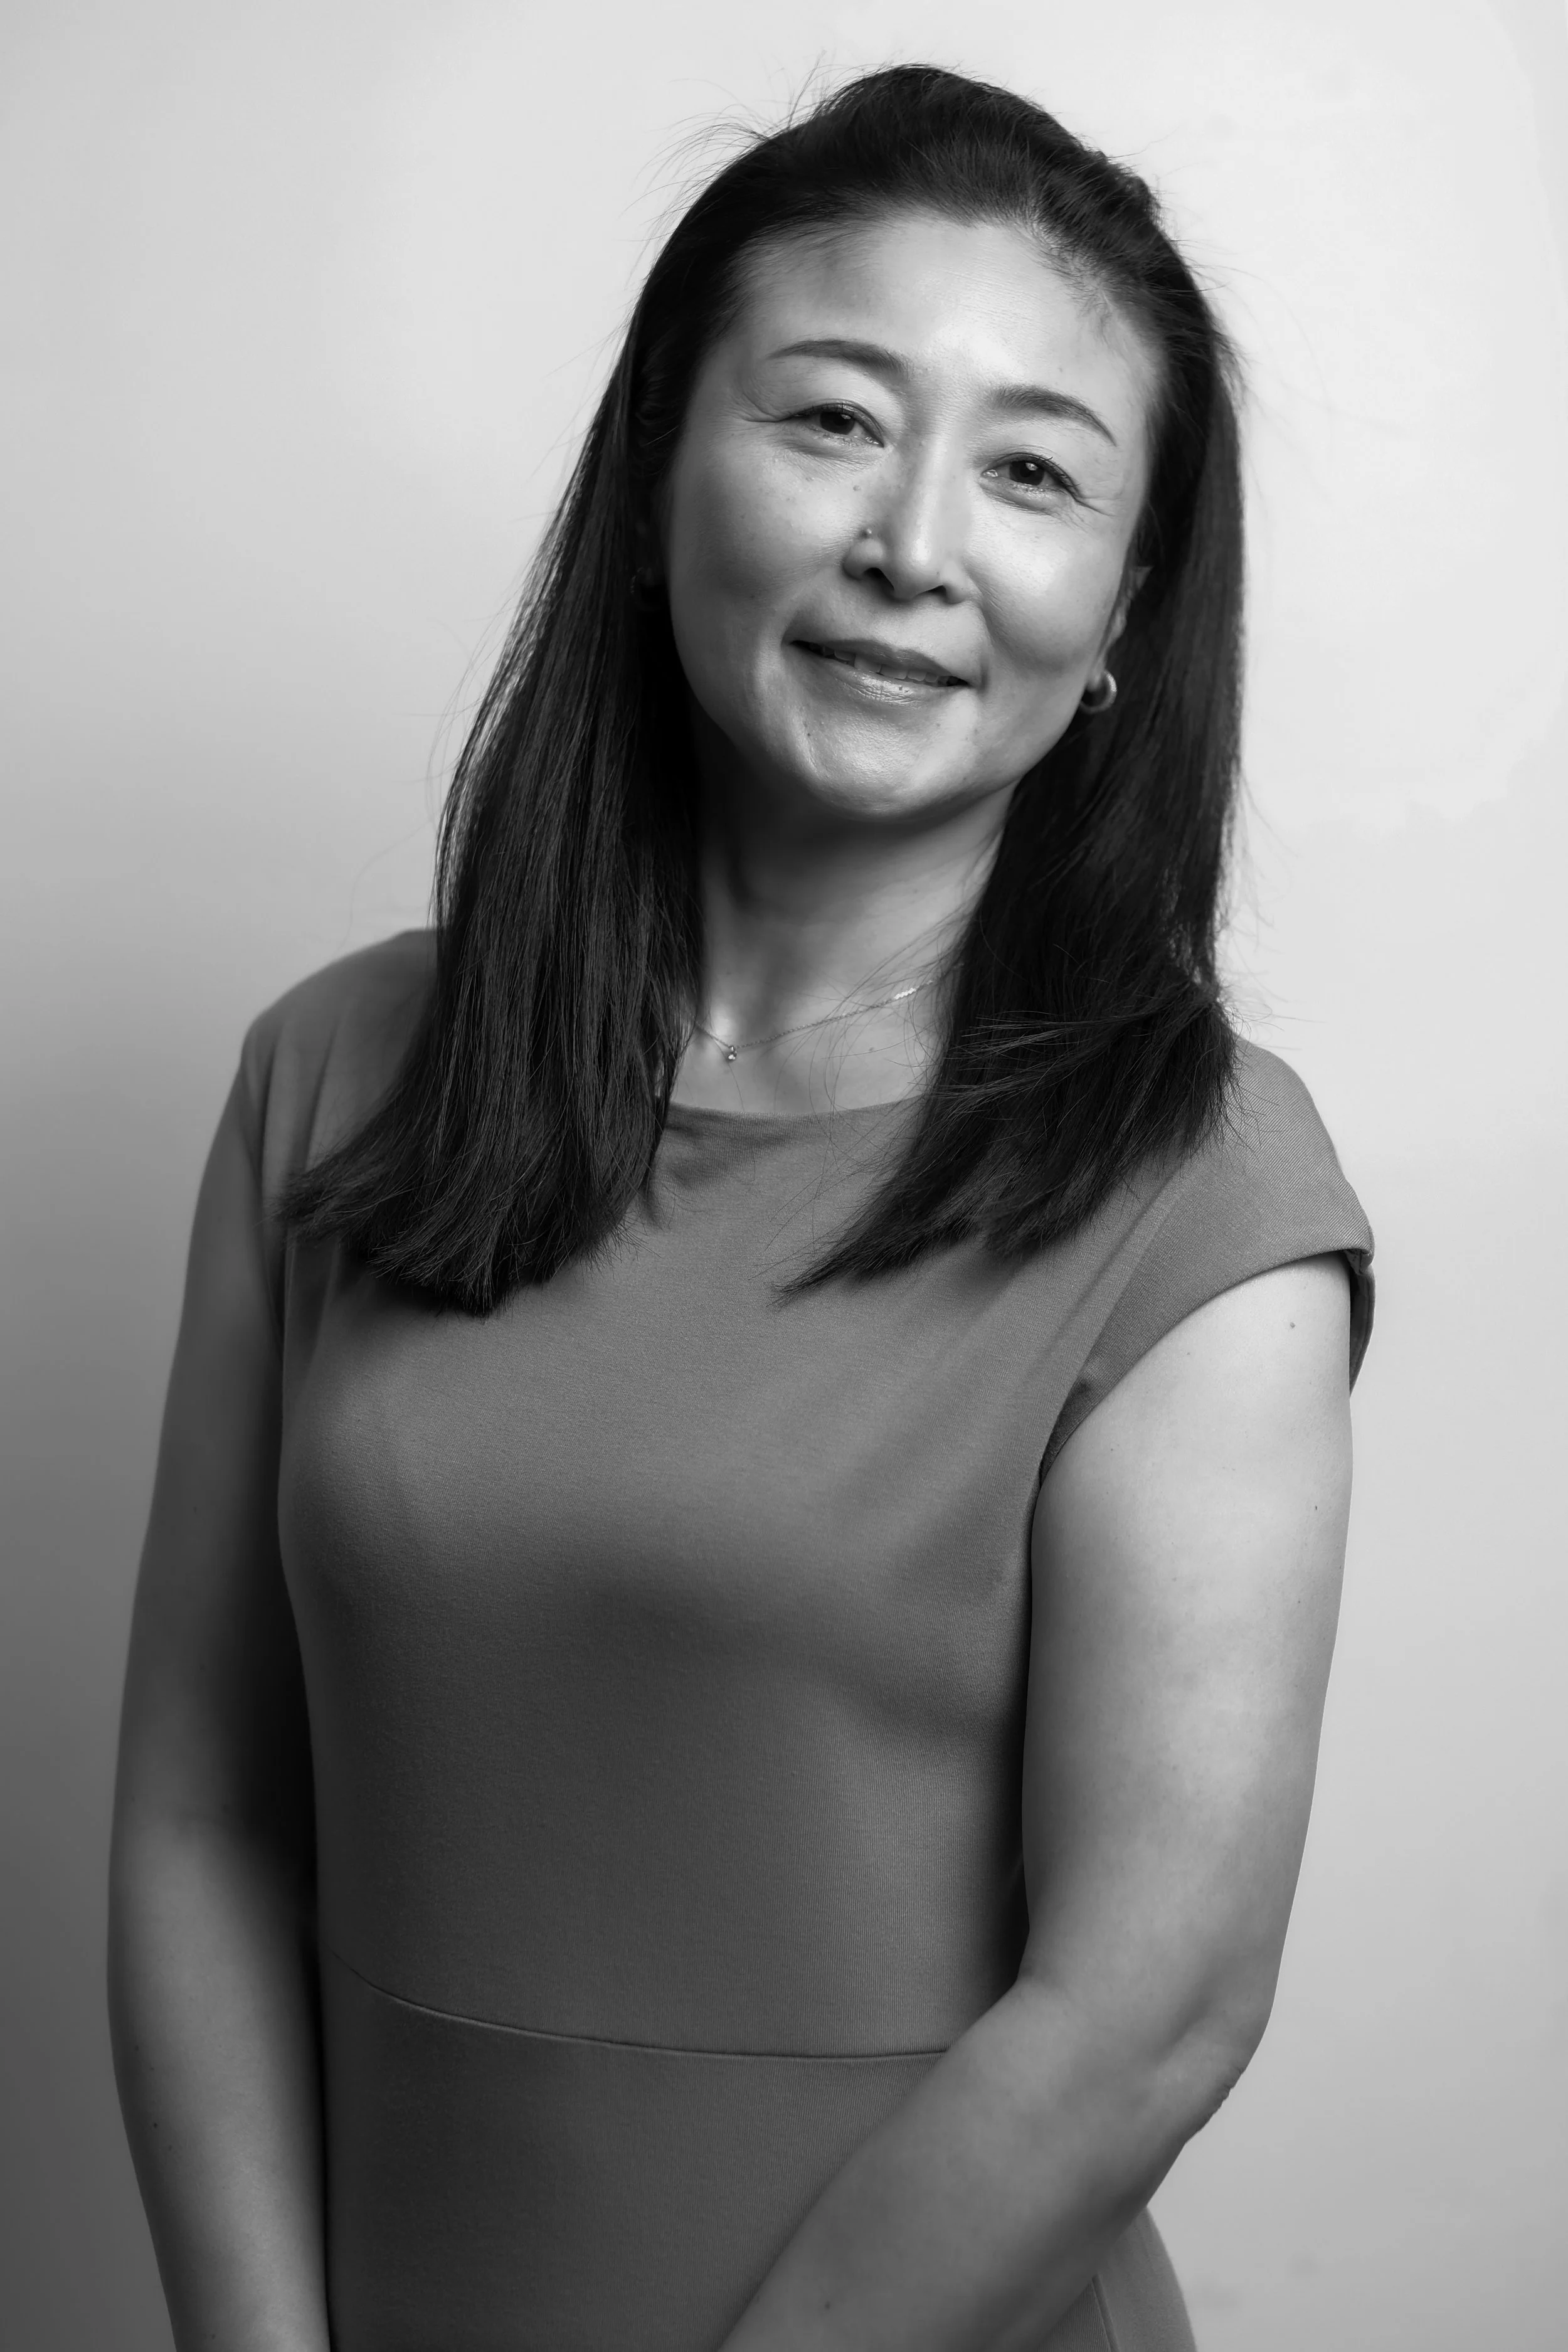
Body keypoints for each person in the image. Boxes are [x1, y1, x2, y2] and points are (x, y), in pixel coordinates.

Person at [108, 62, 1374, 2352]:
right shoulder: (331, 1078)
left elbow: (1146, 2012)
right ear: (652, 482)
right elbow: (204, 1822)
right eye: (830, 420)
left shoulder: (1199, 1187)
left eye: (1029, 472)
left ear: (1115, 617)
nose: (912, 540)